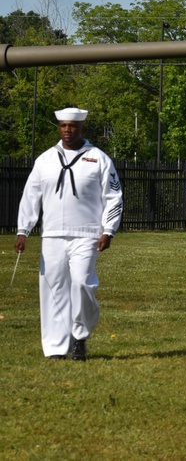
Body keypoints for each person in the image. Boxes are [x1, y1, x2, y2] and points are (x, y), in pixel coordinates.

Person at [15, 107, 124, 360]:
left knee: (82, 284)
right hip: (52, 235)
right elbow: (31, 196)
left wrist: (108, 230)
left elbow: (113, 196)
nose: (67, 130)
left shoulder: (99, 159)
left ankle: (80, 336)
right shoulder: (45, 160)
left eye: (72, 126)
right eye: (63, 125)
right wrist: (23, 230)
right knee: (53, 289)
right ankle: (55, 348)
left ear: (81, 128)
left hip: (87, 234)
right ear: (59, 127)